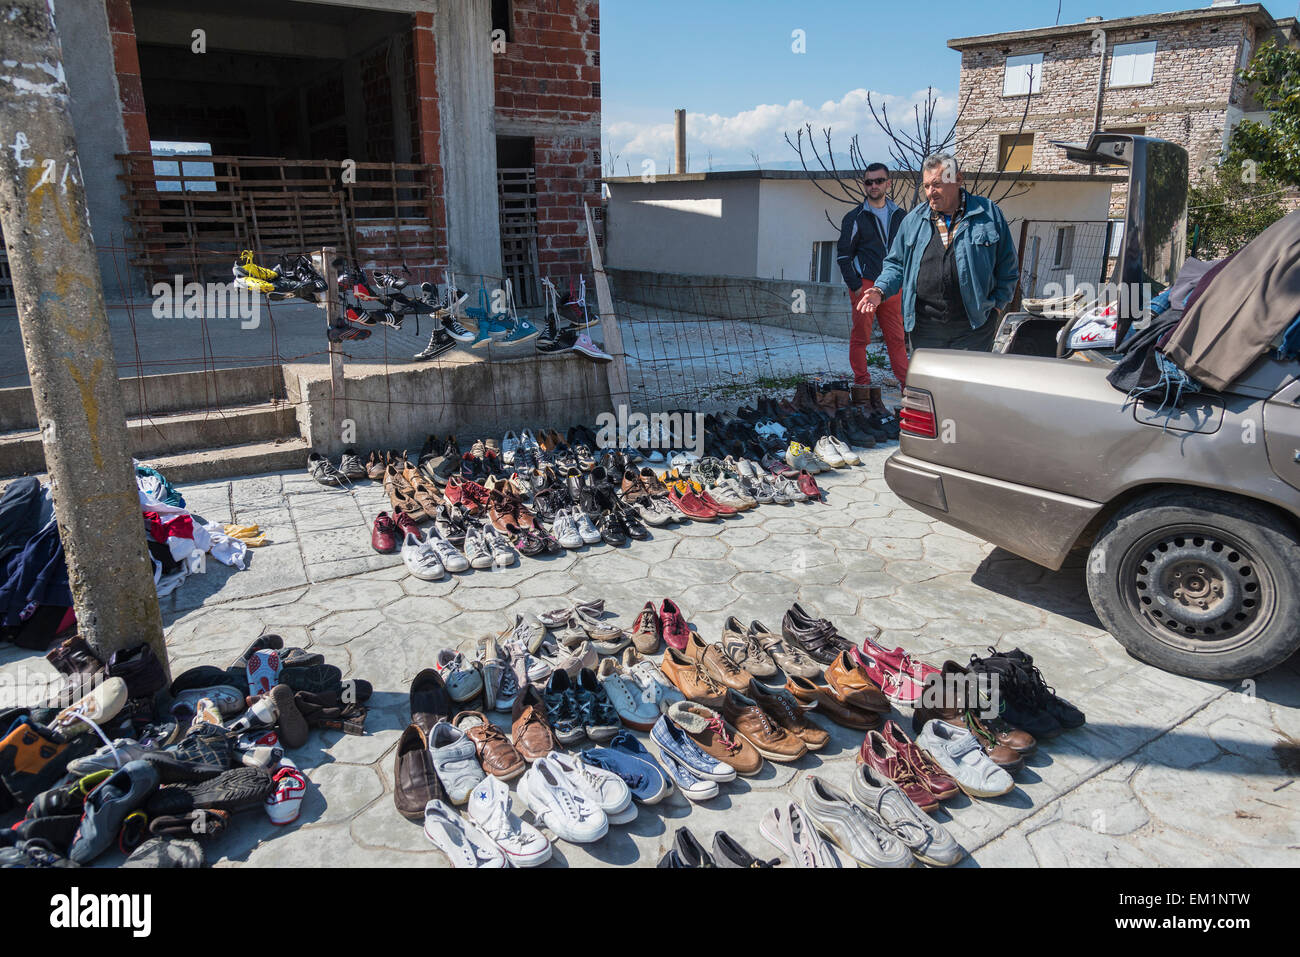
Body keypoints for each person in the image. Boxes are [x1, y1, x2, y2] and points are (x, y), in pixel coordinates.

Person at [858, 153, 1019, 354]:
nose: (930, 192)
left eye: (937, 184)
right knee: (929, 385)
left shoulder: (987, 213)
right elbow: (896, 264)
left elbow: (1008, 265)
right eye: (926, 186)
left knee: (967, 384)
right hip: (925, 328)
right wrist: (880, 290)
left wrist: (996, 307)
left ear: (958, 179)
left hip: (974, 327)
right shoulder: (913, 221)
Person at [837, 163, 909, 411]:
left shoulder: (902, 216)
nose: (874, 186)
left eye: (879, 181)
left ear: (888, 183)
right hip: (866, 286)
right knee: (861, 337)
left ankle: (907, 390)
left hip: (892, 287)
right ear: (864, 185)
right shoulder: (854, 217)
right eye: (869, 182)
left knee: (897, 338)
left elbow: (908, 252)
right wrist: (856, 287)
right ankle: (862, 389)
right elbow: (843, 257)